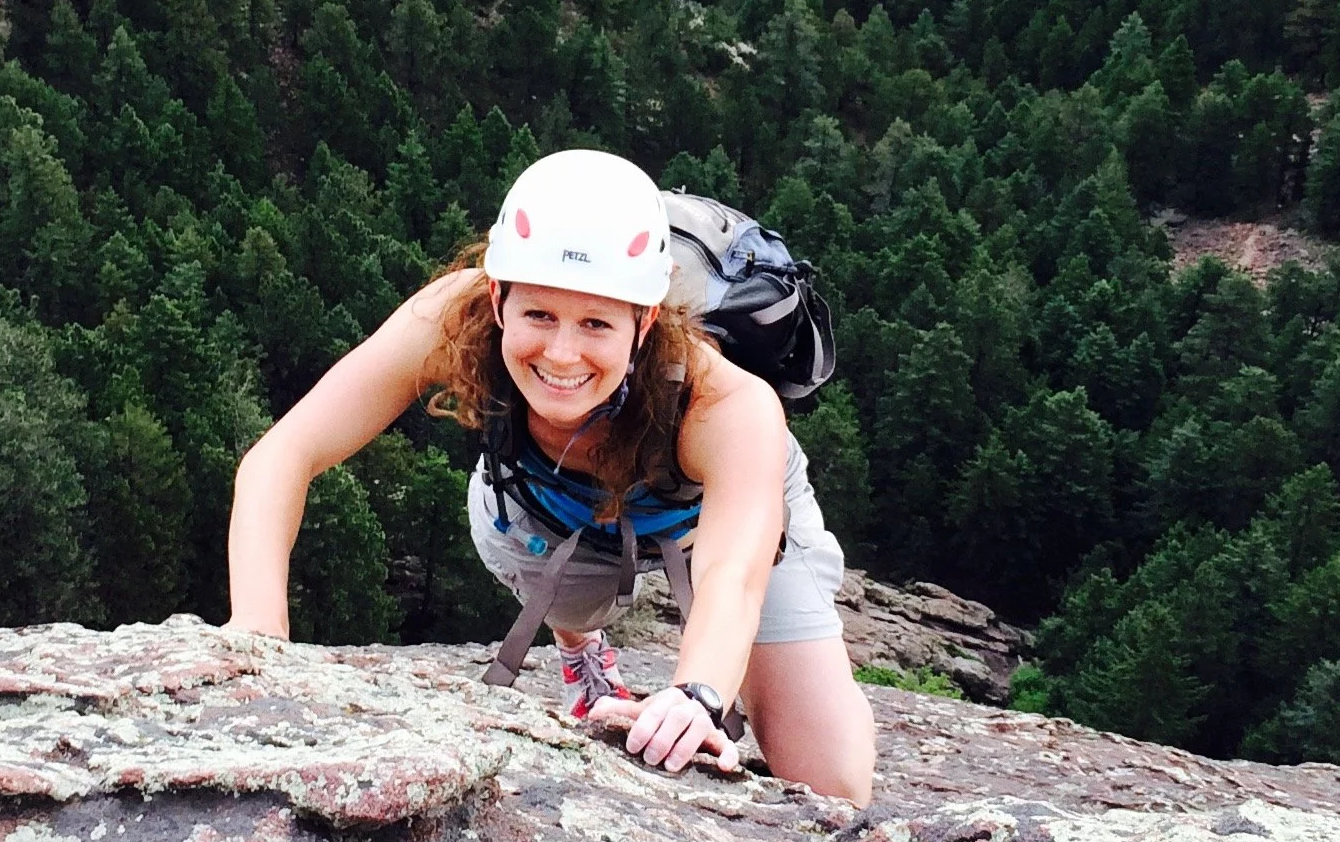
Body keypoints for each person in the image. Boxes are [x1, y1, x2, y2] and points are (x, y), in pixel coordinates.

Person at [226, 149, 876, 804]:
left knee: (834, 781)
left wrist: (696, 695)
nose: (562, 354)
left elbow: (732, 574)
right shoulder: (455, 319)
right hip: (552, 504)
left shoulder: (726, 406)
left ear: (645, 321)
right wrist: (259, 638)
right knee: (557, 582)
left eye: (596, 323)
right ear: (497, 297)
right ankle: (581, 647)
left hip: (715, 513)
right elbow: (284, 455)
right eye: (539, 315)